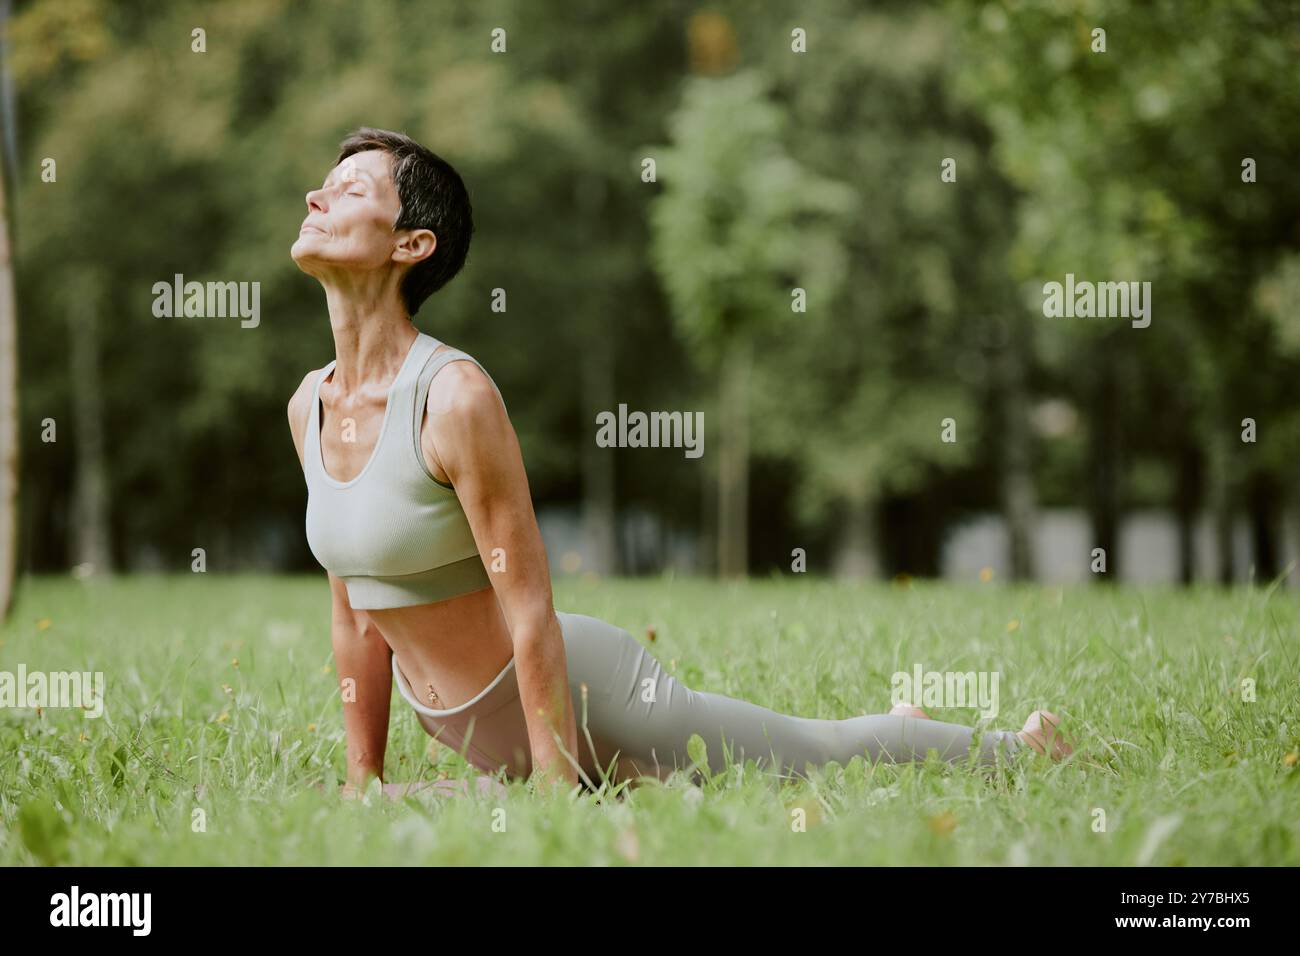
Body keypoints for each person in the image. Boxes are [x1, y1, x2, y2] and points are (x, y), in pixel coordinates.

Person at [285, 127, 1073, 798]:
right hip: (470, 729)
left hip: (591, 694)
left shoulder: (453, 398)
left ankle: (1020, 747)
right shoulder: (308, 407)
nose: (318, 199)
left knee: (807, 757)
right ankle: (903, 731)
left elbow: (528, 611)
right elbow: (356, 614)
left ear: (410, 244)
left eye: (349, 191)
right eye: (323, 187)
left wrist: (557, 794)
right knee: (671, 793)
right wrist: (365, 781)